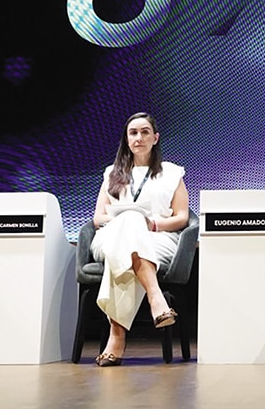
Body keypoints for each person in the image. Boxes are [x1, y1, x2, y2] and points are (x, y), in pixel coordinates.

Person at [89, 112, 190, 367]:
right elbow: (98, 218)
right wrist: (124, 221)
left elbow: (182, 217)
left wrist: (153, 223)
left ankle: (117, 337)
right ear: (127, 138)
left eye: (145, 132)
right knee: (129, 224)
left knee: (123, 251)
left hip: (158, 238)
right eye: (133, 132)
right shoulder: (111, 173)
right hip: (111, 236)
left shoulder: (171, 172)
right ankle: (156, 297)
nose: (139, 137)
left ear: (155, 138)